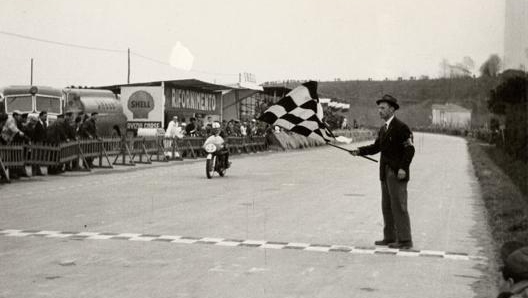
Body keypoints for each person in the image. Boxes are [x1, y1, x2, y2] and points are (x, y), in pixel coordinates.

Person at [350, 94, 415, 249]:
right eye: (379, 108)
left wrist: (403, 168)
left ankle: (405, 240)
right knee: (386, 205)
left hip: (396, 172)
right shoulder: (383, 129)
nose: (379, 110)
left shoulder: (401, 127)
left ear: (392, 109)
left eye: (383, 108)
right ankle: (390, 237)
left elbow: (410, 149)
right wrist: (359, 151)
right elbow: (376, 147)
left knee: (399, 205)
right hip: (384, 172)